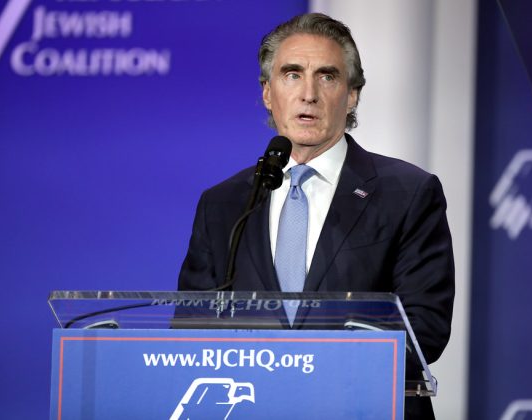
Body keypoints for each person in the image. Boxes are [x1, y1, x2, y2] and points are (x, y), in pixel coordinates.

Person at [178, 13, 454, 418]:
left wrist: (309, 373)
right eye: (292, 74)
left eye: (327, 76)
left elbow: (424, 328)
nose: (308, 93)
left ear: (352, 95)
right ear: (268, 92)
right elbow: (191, 327)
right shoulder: (223, 204)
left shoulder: (408, 193)